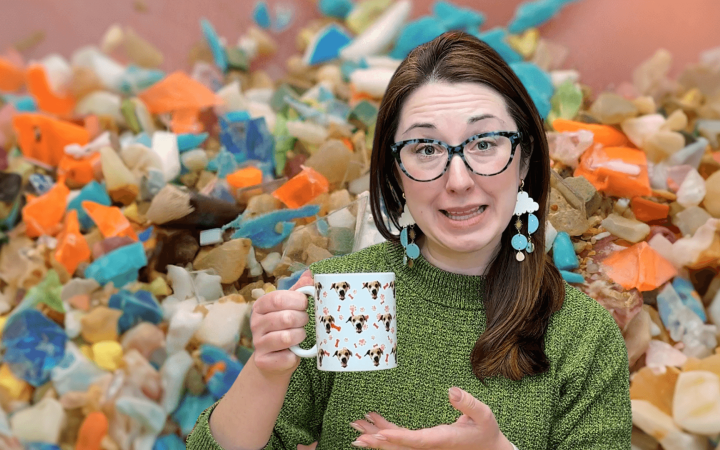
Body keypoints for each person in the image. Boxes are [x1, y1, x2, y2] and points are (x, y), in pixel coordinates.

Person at [186, 31, 631, 450]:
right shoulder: (337, 296)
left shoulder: (584, 336)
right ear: (396, 174)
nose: (458, 180)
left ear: (524, 158)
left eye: (485, 144)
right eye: (426, 149)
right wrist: (266, 371)